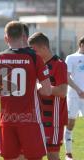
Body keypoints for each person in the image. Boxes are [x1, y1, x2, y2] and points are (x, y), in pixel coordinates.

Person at [0, 21, 51, 160]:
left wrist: (5, 93)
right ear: (23, 36)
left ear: (6, 38)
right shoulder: (35, 58)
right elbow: (47, 91)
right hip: (30, 120)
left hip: (8, 119)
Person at [28, 32, 68, 160]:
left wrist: (42, 87)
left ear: (44, 48)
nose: (33, 55)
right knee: (35, 153)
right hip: (37, 118)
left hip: (54, 120)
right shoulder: (37, 64)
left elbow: (62, 92)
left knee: (52, 154)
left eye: (35, 51)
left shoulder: (59, 64)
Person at [64, 36, 84, 160]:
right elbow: (66, 77)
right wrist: (78, 90)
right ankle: (68, 153)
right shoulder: (71, 58)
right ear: (81, 44)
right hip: (74, 96)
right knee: (70, 123)